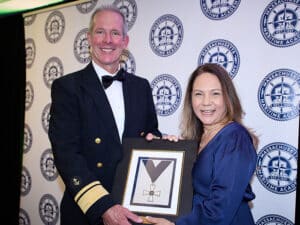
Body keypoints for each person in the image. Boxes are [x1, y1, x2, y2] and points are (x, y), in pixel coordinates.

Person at [48, 4, 162, 225]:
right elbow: (67, 154)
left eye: (115, 33)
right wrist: (103, 206)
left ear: (125, 42)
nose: (107, 40)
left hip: (133, 210)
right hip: (87, 211)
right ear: (89, 38)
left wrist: (162, 144)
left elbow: (150, 133)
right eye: (100, 32)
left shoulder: (141, 87)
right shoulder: (67, 87)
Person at [146, 63, 258, 225]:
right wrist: (164, 150)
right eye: (199, 94)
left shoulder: (234, 138)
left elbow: (221, 209)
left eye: (215, 94)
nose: (206, 102)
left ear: (228, 97)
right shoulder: (196, 139)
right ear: (190, 99)